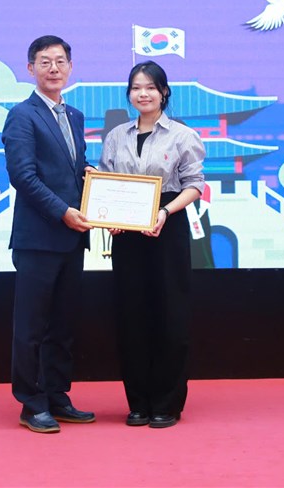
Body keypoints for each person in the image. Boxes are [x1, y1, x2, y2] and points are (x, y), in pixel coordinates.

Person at [99, 60, 205, 429]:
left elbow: (195, 185)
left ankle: (167, 402)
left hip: (166, 227)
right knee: (131, 316)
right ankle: (138, 402)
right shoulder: (116, 136)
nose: (142, 94)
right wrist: (109, 217)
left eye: (150, 87)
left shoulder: (182, 135)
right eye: (136, 88)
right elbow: (107, 182)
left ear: (164, 92)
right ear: (129, 94)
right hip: (127, 235)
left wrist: (165, 212)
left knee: (169, 314)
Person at [2, 35, 95, 434]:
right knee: (32, 327)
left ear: (70, 67)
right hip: (39, 238)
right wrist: (62, 212)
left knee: (63, 324)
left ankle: (57, 396)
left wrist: (92, 180)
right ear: (31, 69)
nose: (53, 68)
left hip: (72, 239)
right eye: (45, 61)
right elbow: (23, 177)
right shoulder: (22, 116)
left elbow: (74, 169)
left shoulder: (74, 115)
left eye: (60, 61)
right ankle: (31, 402)